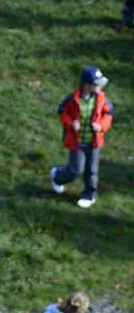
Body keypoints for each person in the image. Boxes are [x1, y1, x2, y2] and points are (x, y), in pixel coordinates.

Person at [50, 67, 114, 209]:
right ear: (86, 85)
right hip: (77, 142)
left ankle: (89, 195)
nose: (99, 87)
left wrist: (101, 126)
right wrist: (70, 123)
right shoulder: (72, 99)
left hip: (94, 142)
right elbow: (62, 112)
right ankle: (58, 176)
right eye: (96, 84)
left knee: (91, 170)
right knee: (75, 170)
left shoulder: (102, 99)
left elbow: (108, 115)